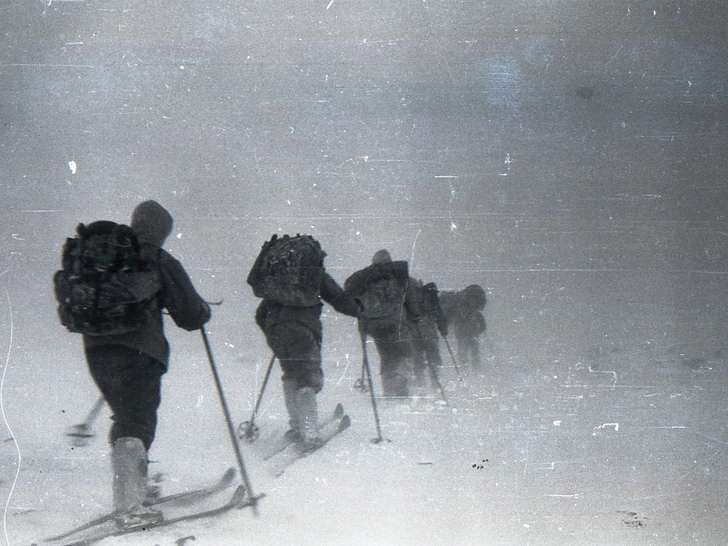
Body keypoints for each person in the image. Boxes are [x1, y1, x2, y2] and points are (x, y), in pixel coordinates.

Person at [80, 201, 211, 526]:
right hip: (140, 351)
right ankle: (130, 507)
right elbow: (191, 315)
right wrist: (203, 311)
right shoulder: (156, 257)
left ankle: (131, 492)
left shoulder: (107, 253)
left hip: (96, 348)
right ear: (162, 230)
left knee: (126, 418)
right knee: (136, 422)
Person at [249, 235, 359, 448]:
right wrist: (360, 310)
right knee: (307, 378)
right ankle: (309, 432)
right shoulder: (313, 274)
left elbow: (260, 314)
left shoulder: (275, 281)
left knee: (291, 375)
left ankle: (297, 427)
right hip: (304, 331)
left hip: (276, 332)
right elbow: (338, 298)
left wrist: (274, 331)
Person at [344, 250, 421, 398]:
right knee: (404, 354)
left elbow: (350, 296)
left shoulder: (365, 278)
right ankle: (400, 387)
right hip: (395, 323)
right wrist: (416, 316)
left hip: (373, 326)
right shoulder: (399, 276)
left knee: (387, 357)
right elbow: (410, 300)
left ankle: (390, 391)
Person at [410, 281, 448, 393]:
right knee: (433, 358)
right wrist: (443, 330)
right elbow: (439, 316)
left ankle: (420, 385)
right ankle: (435, 383)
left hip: (414, 332)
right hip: (429, 332)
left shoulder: (411, 299)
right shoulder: (432, 299)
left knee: (418, 360)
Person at [441, 284, 486, 371]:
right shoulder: (471, 307)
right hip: (472, 329)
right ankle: (475, 369)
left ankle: (465, 368)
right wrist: (481, 327)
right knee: (473, 349)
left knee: (463, 349)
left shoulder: (459, 304)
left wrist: (445, 326)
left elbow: (450, 316)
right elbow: (479, 316)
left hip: (461, 329)